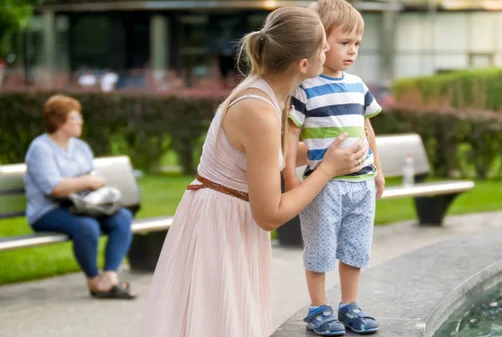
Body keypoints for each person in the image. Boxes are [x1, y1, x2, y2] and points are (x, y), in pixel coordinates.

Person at [136, 6, 368, 337]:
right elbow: (271, 215)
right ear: (303, 65)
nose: (329, 52)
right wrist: (328, 169)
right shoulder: (259, 111)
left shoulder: (268, 91)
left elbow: (268, 157)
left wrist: (333, 151)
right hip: (221, 227)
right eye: (323, 47)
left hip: (227, 218)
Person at [282, 0, 384, 335]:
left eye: (356, 44)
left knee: (354, 249)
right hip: (323, 187)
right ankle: (317, 309)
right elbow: (291, 132)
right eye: (344, 43)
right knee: (320, 249)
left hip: (361, 183)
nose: (352, 51)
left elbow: (367, 130)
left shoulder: (357, 85)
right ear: (320, 43)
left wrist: (378, 171)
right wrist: (289, 177)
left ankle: (349, 305)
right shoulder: (304, 87)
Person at [24, 94, 136, 299]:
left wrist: (80, 182)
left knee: (123, 218)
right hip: (48, 211)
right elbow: (54, 188)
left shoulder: (80, 147)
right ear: (59, 120)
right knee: (87, 227)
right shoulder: (40, 148)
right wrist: (84, 181)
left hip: (84, 206)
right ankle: (94, 281)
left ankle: (110, 277)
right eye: (75, 117)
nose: (80, 121)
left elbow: (98, 179)